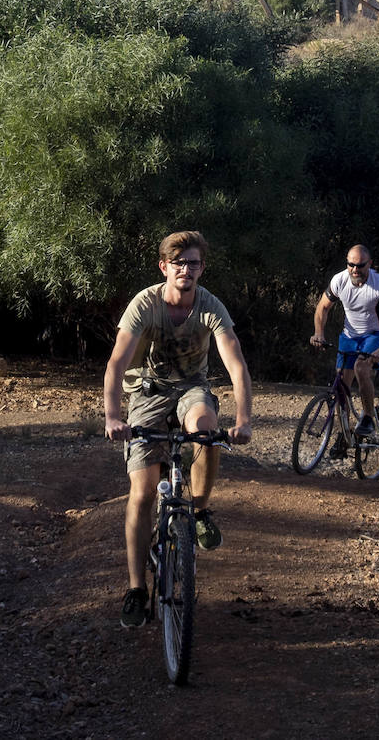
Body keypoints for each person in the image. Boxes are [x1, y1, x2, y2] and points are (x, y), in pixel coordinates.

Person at [104, 230, 253, 629]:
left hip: (191, 389)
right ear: (164, 267)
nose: (186, 270)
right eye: (179, 263)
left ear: (202, 268)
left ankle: (200, 511)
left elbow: (236, 364)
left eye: (193, 263)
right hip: (147, 393)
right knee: (142, 492)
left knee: (206, 429)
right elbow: (116, 363)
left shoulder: (210, 306)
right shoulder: (145, 304)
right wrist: (113, 416)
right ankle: (137, 589)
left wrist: (243, 421)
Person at [310, 244, 379, 440]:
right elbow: (322, 308)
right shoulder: (339, 280)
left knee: (361, 368)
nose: (355, 270)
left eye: (360, 265)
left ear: (369, 264)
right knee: (341, 384)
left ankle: (368, 418)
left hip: (375, 334)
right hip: (349, 335)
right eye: (351, 265)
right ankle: (344, 435)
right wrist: (319, 333)